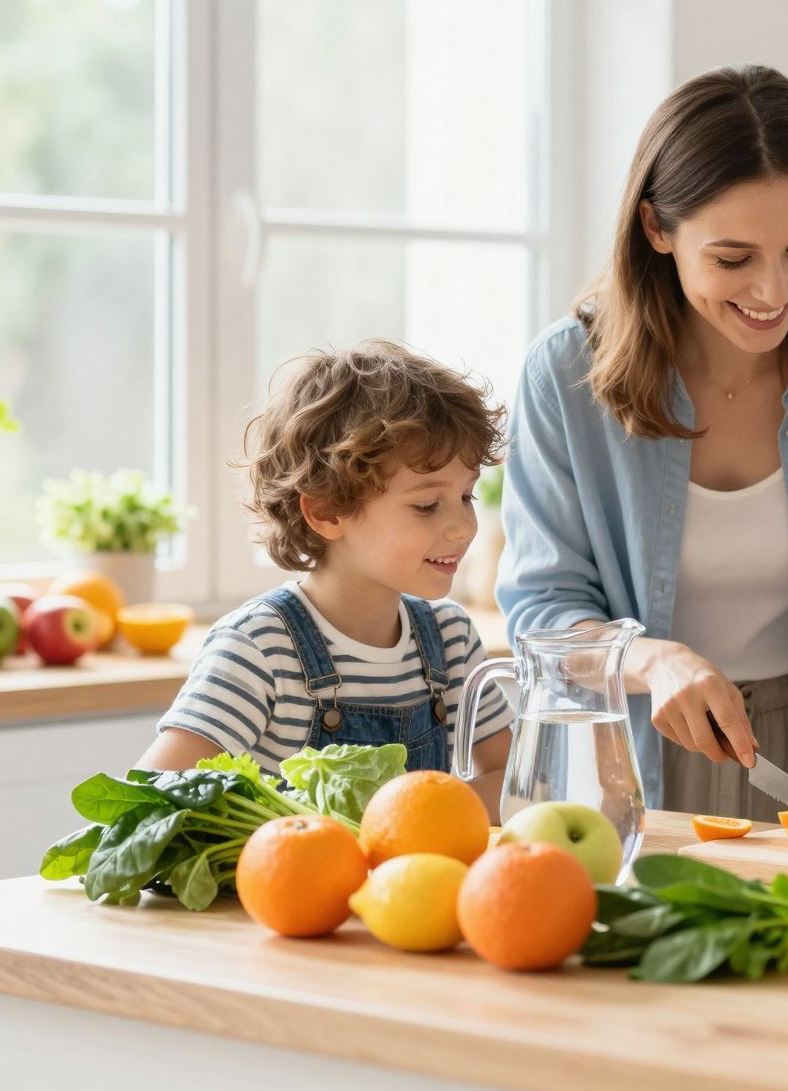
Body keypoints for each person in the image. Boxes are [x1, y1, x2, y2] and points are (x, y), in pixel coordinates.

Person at [496, 65, 788, 823]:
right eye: (733, 259)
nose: (773, 291)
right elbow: (542, 609)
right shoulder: (564, 375)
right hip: (630, 760)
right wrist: (651, 659)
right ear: (657, 229)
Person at [139, 340, 516, 811]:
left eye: (467, 496)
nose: (463, 527)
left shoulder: (450, 637)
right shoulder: (260, 647)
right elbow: (156, 799)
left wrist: (415, 816)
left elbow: (515, 778)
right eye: (426, 506)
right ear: (326, 511)